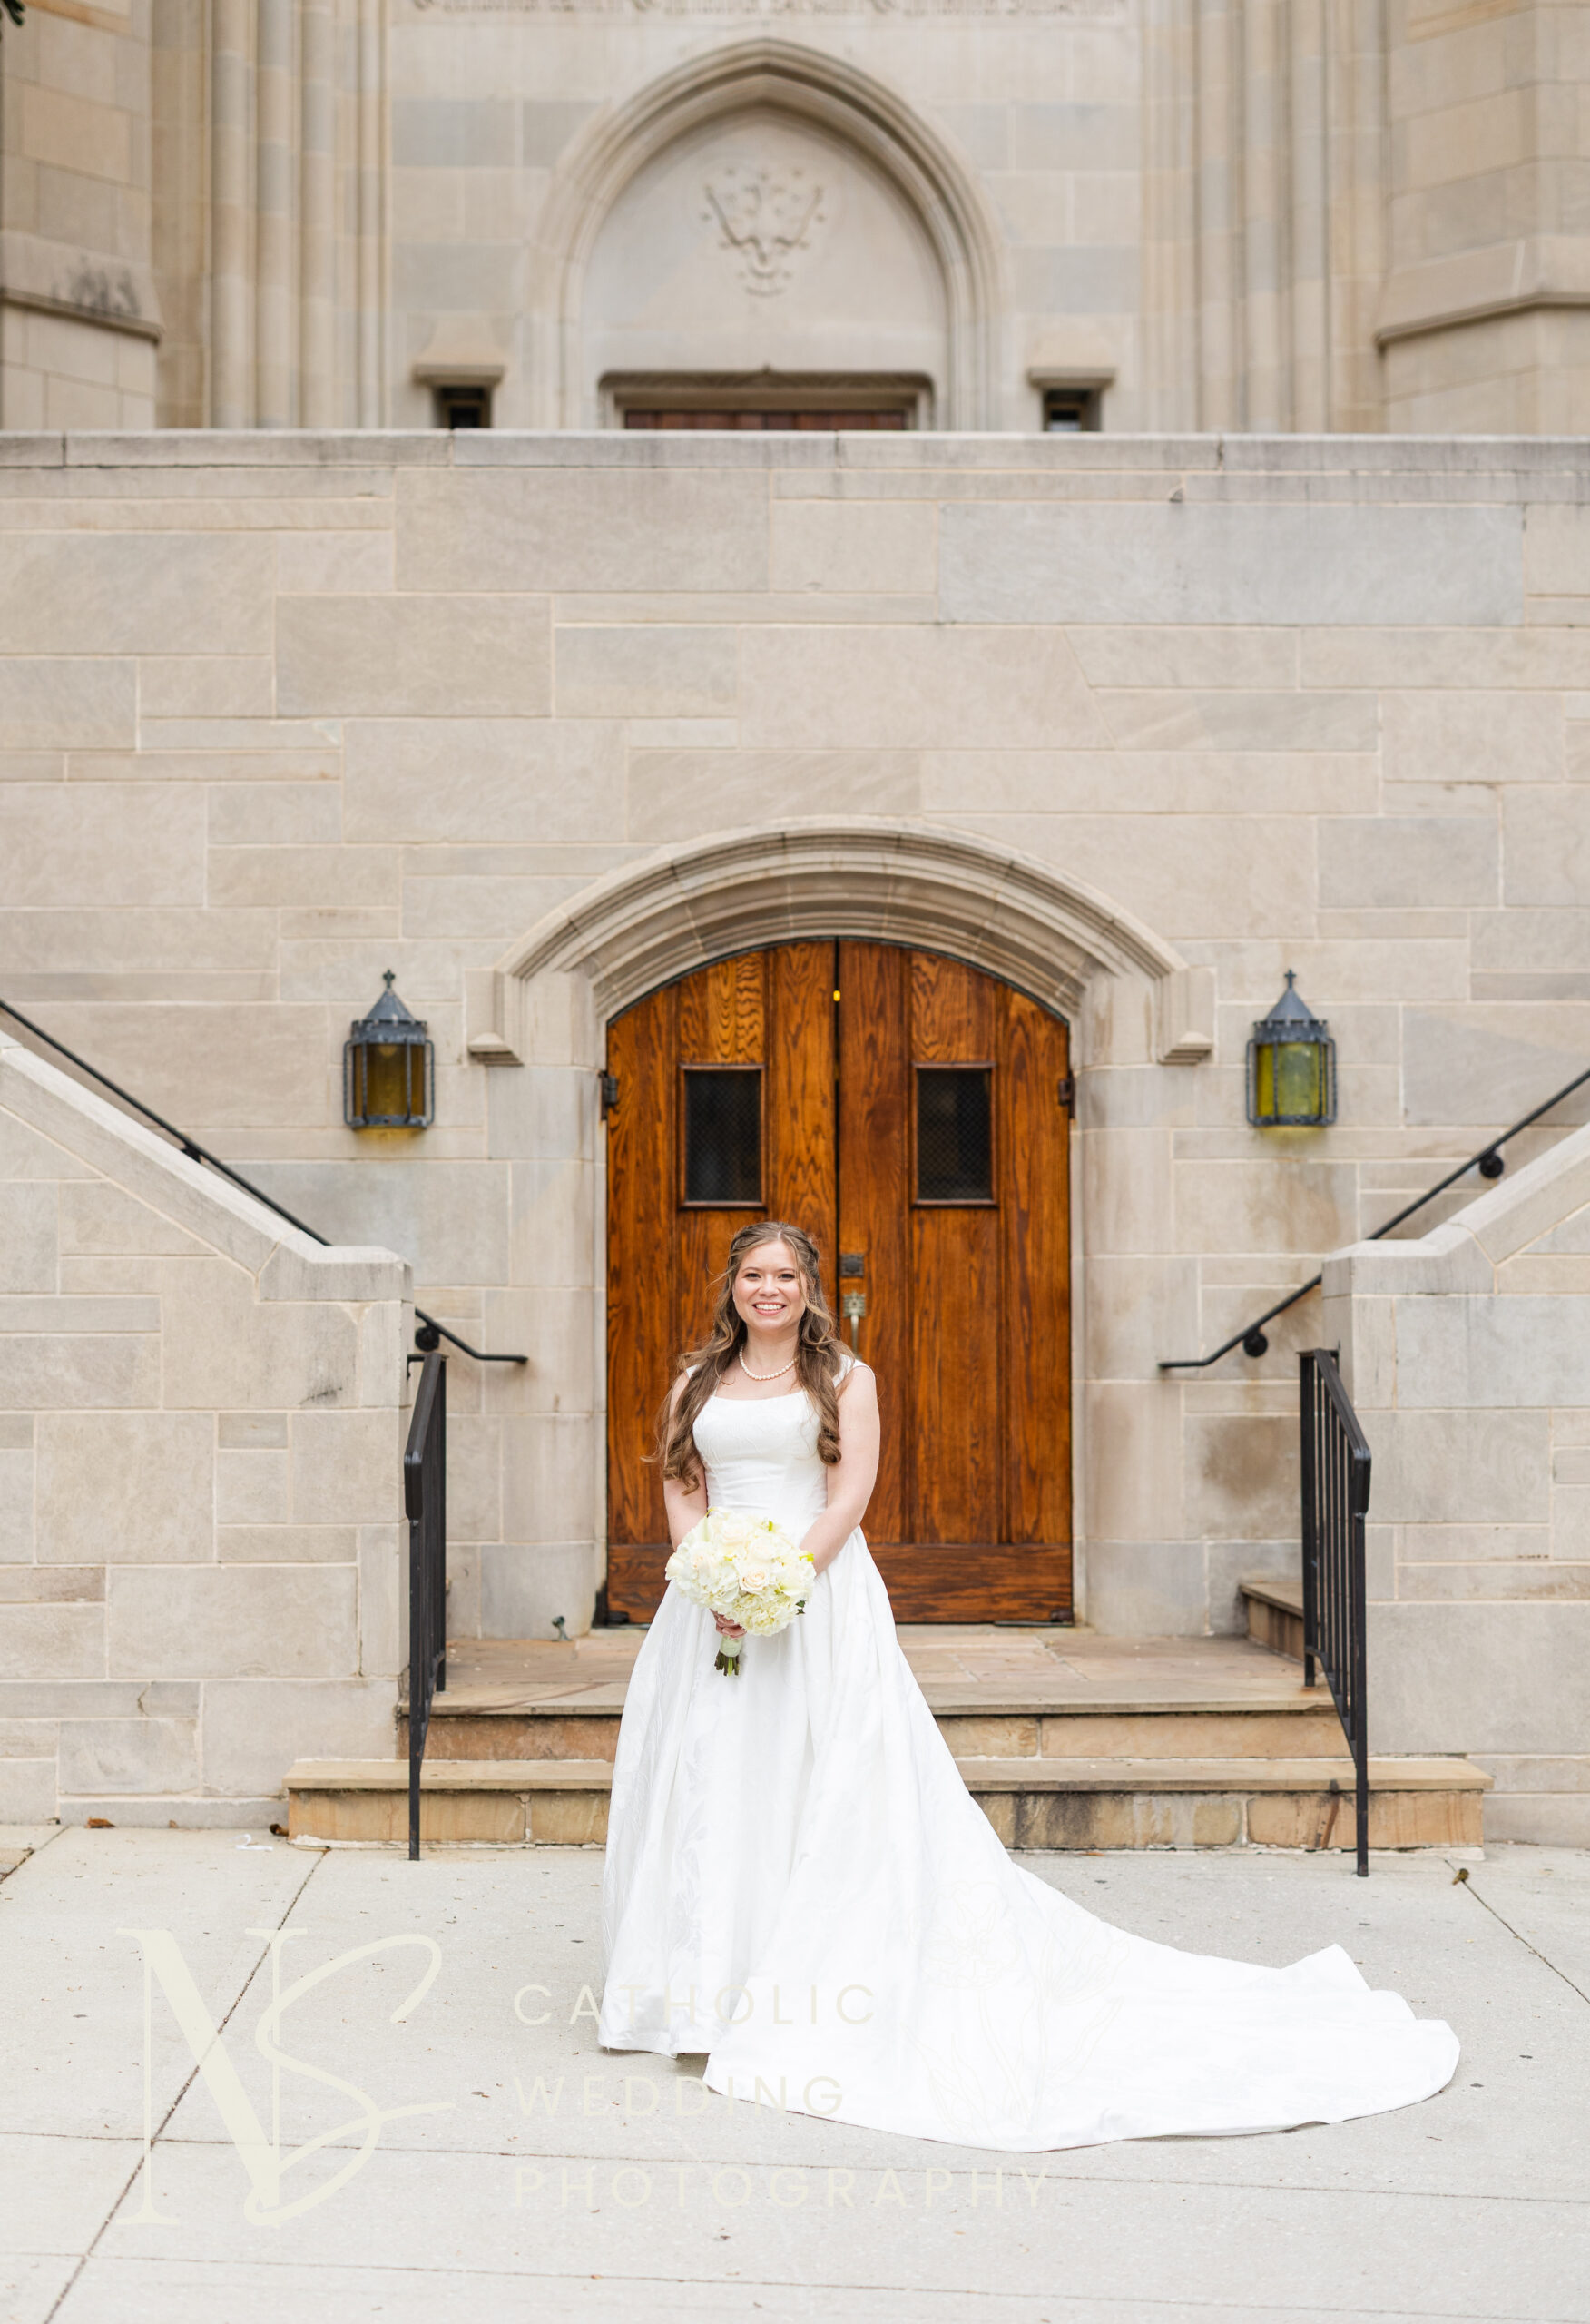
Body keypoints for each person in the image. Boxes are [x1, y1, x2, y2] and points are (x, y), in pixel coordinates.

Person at [598, 1219, 1458, 2150]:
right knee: (716, 1788)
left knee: (818, 1782)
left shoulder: (846, 1378)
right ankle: (707, 1990)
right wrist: (716, 1578)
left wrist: (778, 1586)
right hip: (711, 1613)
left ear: (809, 1287)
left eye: (787, 1275)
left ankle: (802, 1984)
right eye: (755, 1275)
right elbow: (684, 1485)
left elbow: (849, 1496)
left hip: (815, 1597)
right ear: (732, 1285)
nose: (770, 1289)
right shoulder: (696, 1380)